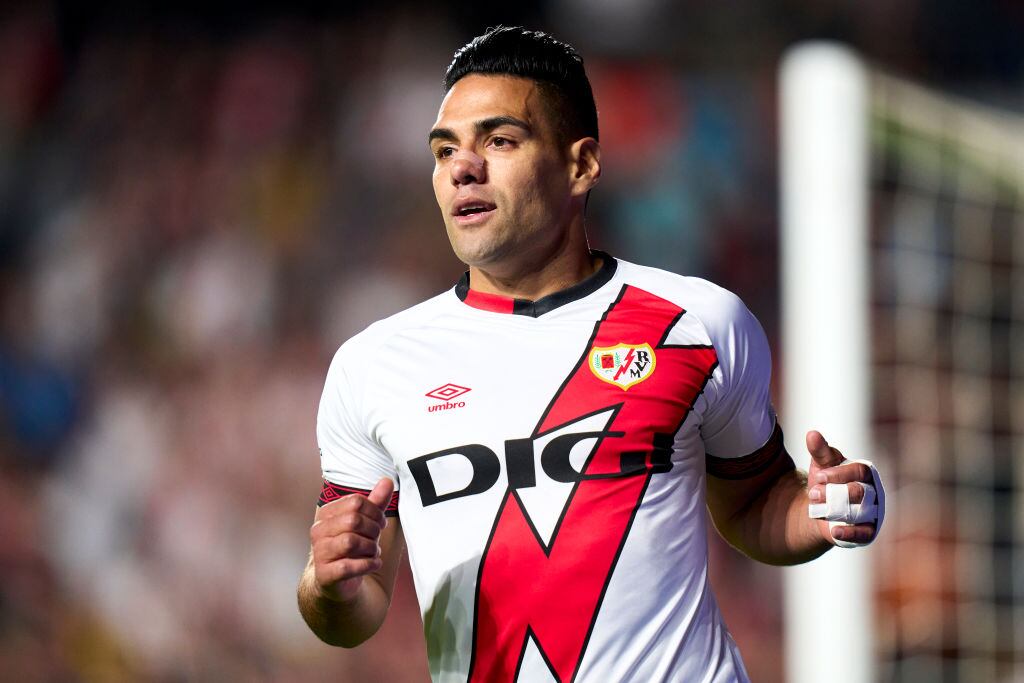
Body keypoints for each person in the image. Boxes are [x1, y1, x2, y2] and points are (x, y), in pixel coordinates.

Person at [297, 26, 885, 683]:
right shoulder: (372, 365)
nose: (463, 167)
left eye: (499, 140)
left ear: (581, 165)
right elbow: (351, 609)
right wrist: (328, 584)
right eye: (444, 150)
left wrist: (827, 507)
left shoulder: (699, 323)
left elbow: (755, 506)